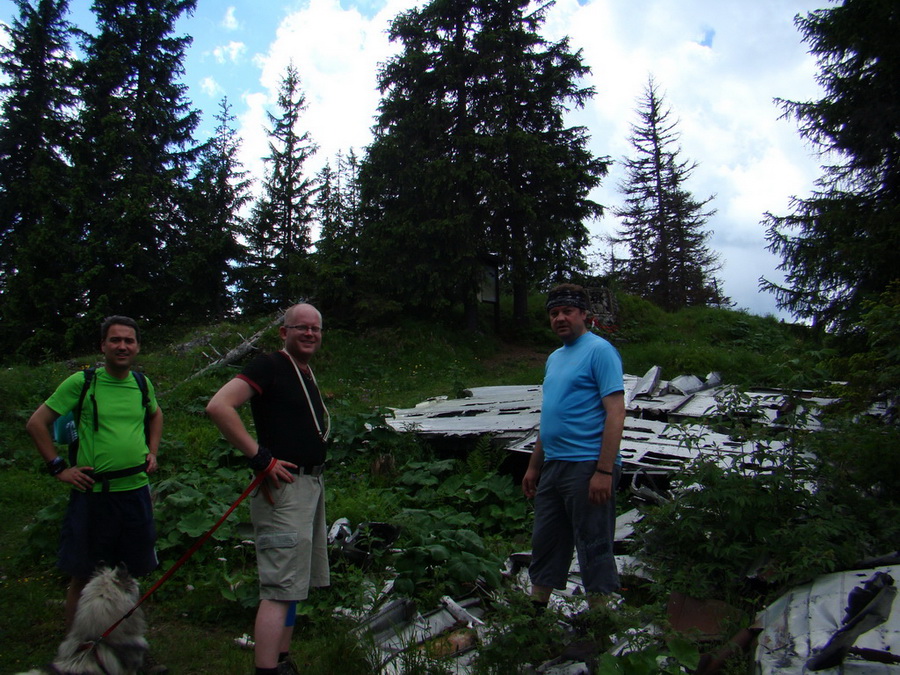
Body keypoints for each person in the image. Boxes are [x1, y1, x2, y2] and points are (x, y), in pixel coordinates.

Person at [206, 303, 331, 675]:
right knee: (279, 586)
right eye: (301, 328)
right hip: (284, 490)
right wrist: (261, 458)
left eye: (316, 329)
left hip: (310, 485)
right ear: (284, 332)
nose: (309, 334)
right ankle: (266, 670)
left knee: (294, 584)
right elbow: (219, 406)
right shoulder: (270, 365)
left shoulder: (304, 372)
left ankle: (281, 660)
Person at [26, 315, 164, 629]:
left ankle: (127, 643)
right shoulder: (83, 382)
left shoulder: (142, 383)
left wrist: (152, 451)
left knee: (129, 575)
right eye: (115, 340)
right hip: (94, 494)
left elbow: (155, 415)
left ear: (138, 347)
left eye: (129, 340)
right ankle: (78, 646)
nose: (122, 346)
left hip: (135, 491)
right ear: (102, 345)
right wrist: (59, 467)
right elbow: (36, 423)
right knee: (84, 573)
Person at [521, 284, 626, 610]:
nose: (560, 318)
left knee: (593, 544)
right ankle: (536, 614)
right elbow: (551, 415)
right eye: (554, 313)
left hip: (587, 465)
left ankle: (599, 621)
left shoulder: (600, 351)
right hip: (554, 466)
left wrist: (604, 470)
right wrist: (534, 465)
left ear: (584, 315)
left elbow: (616, 412)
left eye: (567, 311)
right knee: (546, 542)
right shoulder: (554, 358)